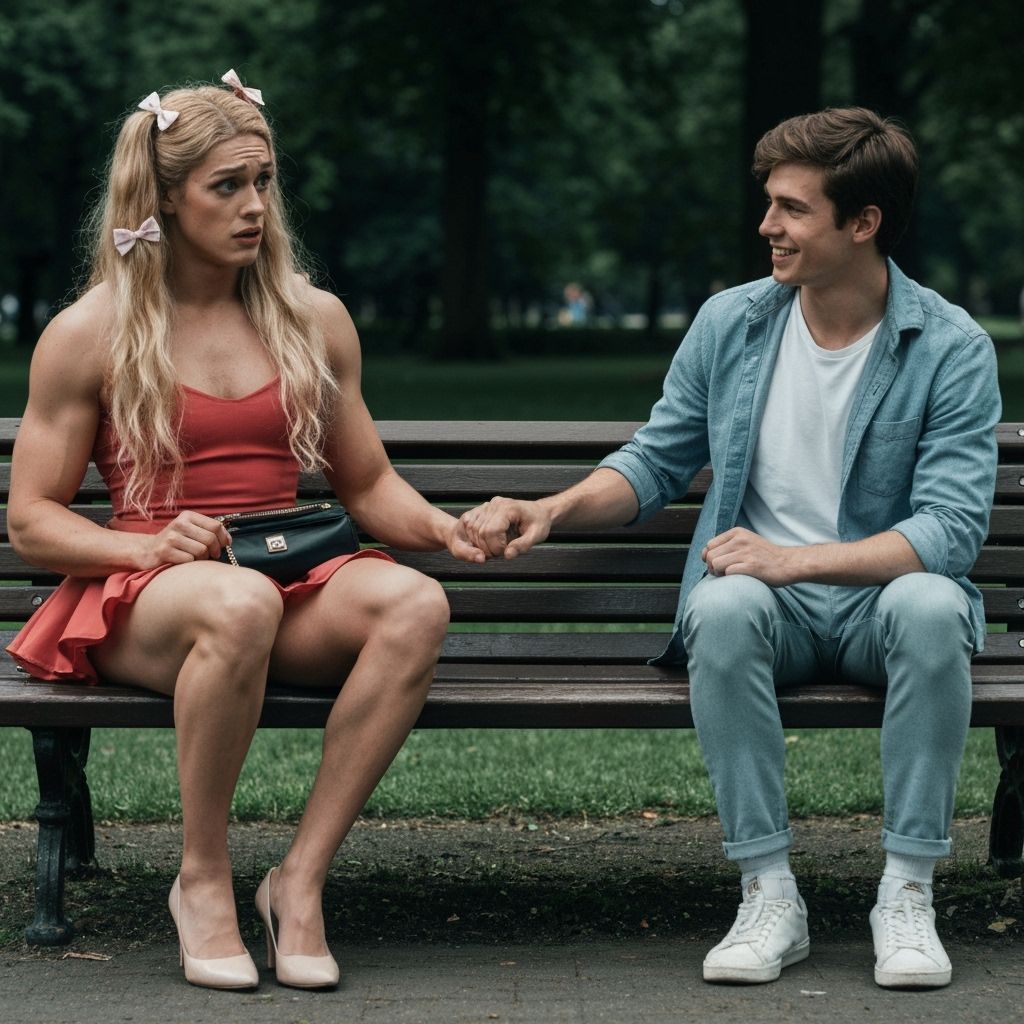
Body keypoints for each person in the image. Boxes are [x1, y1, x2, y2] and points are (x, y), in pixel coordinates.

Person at [459, 108, 1000, 989]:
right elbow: (656, 459)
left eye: (791, 209)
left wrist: (797, 558)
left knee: (934, 604)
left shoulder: (949, 348)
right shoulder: (732, 324)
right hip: (763, 609)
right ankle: (768, 893)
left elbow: (948, 533)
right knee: (723, 602)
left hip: (879, 607)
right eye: (769, 204)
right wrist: (553, 509)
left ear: (861, 224)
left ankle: (906, 895)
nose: (767, 227)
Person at [6, 72, 484, 991]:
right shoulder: (90, 332)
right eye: (226, 186)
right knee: (233, 605)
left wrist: (447, 530)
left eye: (263, 182)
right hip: (145, 595)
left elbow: (368, 483)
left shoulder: (311, 317)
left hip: (280, 580)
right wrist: (140, 546)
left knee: (413, 604)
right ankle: (203, 879)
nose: (255, 205)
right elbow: (32, 519)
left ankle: (298, 880)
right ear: (163, 198)